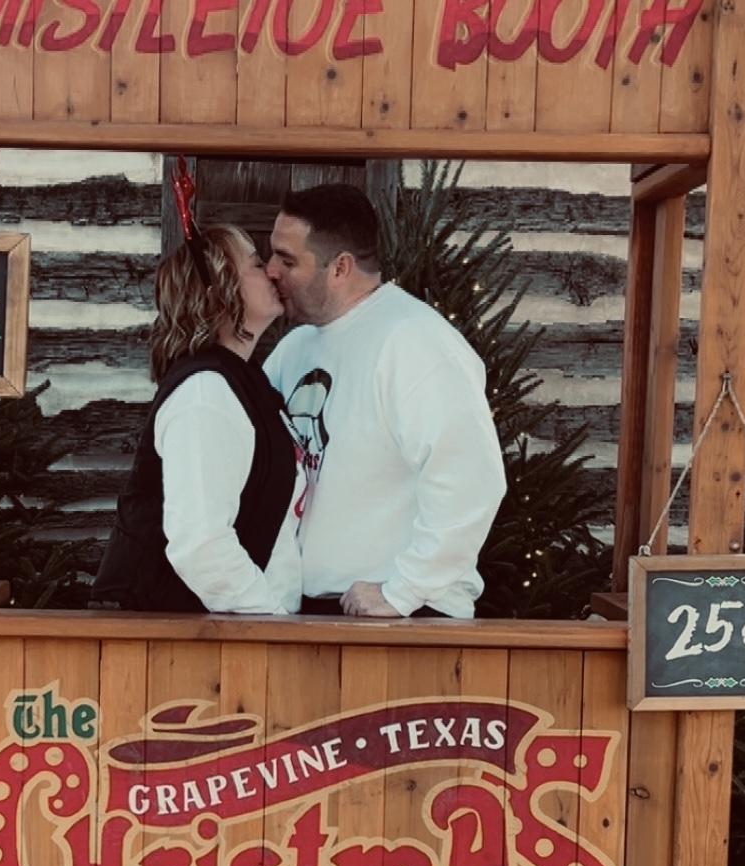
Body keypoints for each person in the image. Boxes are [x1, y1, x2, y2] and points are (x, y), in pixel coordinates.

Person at [264, 184, 506, 619]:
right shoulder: (294, 348)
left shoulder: (415, 341)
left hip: (401, 617)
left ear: (340, 267)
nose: (271, 271)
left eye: (287, 260)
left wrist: (403, 590)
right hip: (313, 611)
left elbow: (472, 479)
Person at [91, 224, 305, 614]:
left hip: (241, 628)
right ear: (220, 290)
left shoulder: (246, 382)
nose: (273, 272)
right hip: (176, 635)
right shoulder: (205, 393)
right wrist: (272, 622)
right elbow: (200, 544)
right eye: (257, 264)